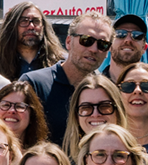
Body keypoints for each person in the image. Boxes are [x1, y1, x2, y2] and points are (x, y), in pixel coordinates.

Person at [20, 11, 117, 142]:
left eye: (103, 44)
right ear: (68, 42)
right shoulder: (34, 84)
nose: (94, 49)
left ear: (107, 52)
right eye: (86, 40)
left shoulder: (108, 91)